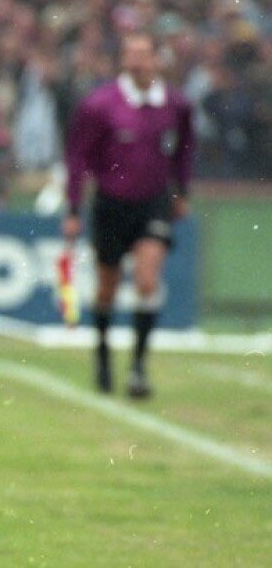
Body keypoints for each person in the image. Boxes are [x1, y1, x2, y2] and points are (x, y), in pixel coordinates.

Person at [62, 32, 194, 399]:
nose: (136, 61)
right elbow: (78, 157)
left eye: (143, 53)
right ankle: (103, 354)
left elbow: (184, 147)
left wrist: (182, 190)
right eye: (130, 53)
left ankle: (138, 367)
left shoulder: (176, 104)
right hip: (111, 203)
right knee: (107, 285)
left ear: (157, 59)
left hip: (154, 202)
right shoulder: (99, 105)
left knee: (148, 280)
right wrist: (73, 207)